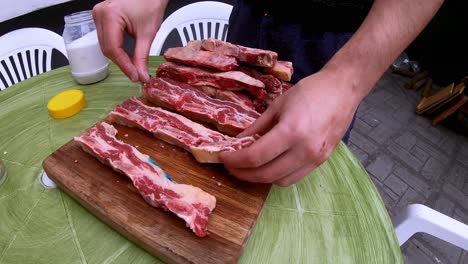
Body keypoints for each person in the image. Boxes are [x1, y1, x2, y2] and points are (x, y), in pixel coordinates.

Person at [92, 0, 444, 187]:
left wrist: (348, 79)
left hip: (333, 45)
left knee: (295, 181)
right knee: (211, 148)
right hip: (251, 15)